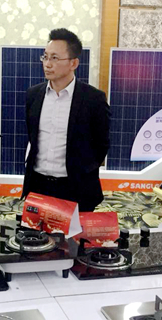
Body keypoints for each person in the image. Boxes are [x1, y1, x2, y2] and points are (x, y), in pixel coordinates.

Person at [22, 28, 110, 212]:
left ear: (73, 63)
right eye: (45, 57)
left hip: (76, 188)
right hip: (38, 185)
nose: (47, 64)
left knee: (75, 232)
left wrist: (83, 171)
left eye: (54, 58)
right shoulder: (33, 95)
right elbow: (32, 136)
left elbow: (101, 144)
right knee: (35, 232)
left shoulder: (93, 99)